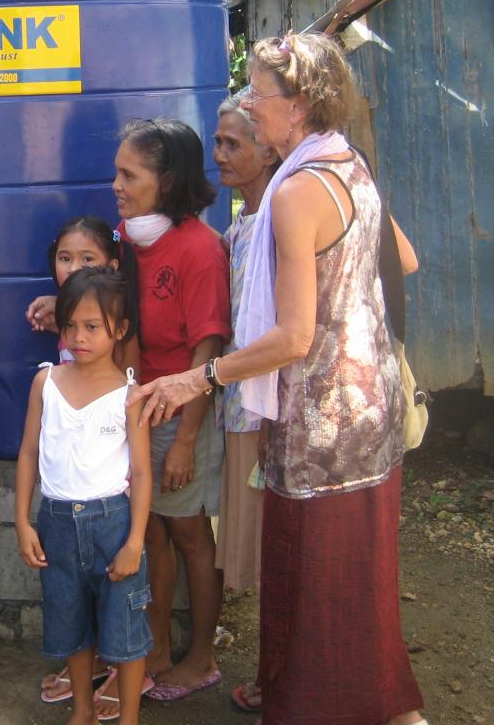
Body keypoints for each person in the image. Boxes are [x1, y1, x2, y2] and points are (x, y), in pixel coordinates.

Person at [132, 33, 427, 725]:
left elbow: (293, 337)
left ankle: (316, 707)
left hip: (321, 420)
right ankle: (377, 702)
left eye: (259, 91)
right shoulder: (347, 165)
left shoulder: (295, 193)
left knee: (314, 578)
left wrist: (197, 379)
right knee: (360, 578)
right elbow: (399, 262)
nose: (249, 104)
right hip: (370, 403)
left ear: (297, 105)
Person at [27, 118, 230, 710]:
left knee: (186, 529)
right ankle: (153, 647)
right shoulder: (128, 237)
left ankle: (201, 655)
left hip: (176, 409)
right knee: (152, 533)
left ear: (166, 181)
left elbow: (208, 348)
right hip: (134, 406)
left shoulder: (198, 248)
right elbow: (105, 307)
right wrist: (58, 307)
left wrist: (187, 436)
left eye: (128, 174)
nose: (115, 183)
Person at [15, 267, 153, 725]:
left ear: (120, 330)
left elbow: (140, 472)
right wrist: (22, 521)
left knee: (125, 628)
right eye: (70, 324)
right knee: (70, 624)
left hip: (113, 526)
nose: (79, 336)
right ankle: (83, 711)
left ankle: (129, 717)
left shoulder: (130, 396)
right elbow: (29, 453)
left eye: (92, 326)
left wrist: (134, 541)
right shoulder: (46, 383)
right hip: (55, 523)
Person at [210, 93, 280, 714]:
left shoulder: (283, 219)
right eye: (219, 141)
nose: (221, 154)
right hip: (241, 404)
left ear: (269, 148)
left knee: (276, 547)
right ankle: (278, 667)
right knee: (260, 548)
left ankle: (283, 673)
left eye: (234, 143)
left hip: (270, 408)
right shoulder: (241, 226)